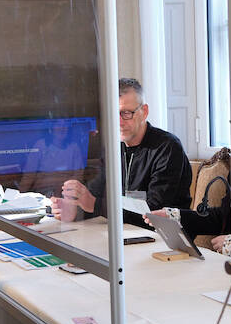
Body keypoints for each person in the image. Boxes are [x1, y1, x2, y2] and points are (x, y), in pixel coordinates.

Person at [51, 78, 192, 226]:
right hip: (123, 234)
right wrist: (76, 209)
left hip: (163, 239)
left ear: (144, 112)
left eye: (126, 113)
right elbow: (95, 193)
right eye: (113, 113)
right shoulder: (113, 148)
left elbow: (153, 213)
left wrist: (92, 204)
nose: (119, 122)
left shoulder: (167, 147)